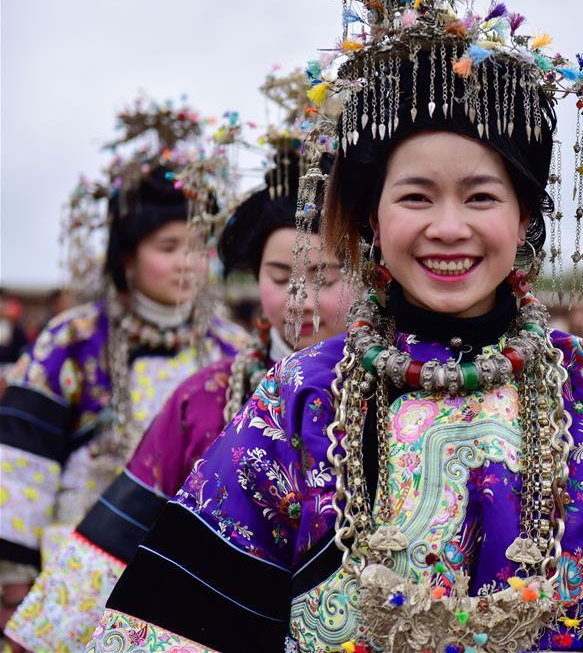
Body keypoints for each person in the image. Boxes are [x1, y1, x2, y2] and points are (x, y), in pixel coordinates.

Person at [88, 0, 583, 652]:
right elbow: (176, 626)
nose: (448, 228)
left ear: (523, 219)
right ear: (370, 218)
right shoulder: (297, 399)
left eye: (480, 197)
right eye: (416, 197)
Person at [3, 149, 347, 652]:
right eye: (280, 277)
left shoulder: (228, 343)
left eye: (328, 276)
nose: (300, 299)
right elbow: (45, 476)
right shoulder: (201, 392)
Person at [0, 101, 246, 636]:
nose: (188, 262)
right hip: (81, 562)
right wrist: (14, 578)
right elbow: (23, 462)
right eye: (168, 247)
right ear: (127, 257)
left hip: (193, 570)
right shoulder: (74, 338)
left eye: (199, 247)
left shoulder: (233, 348)